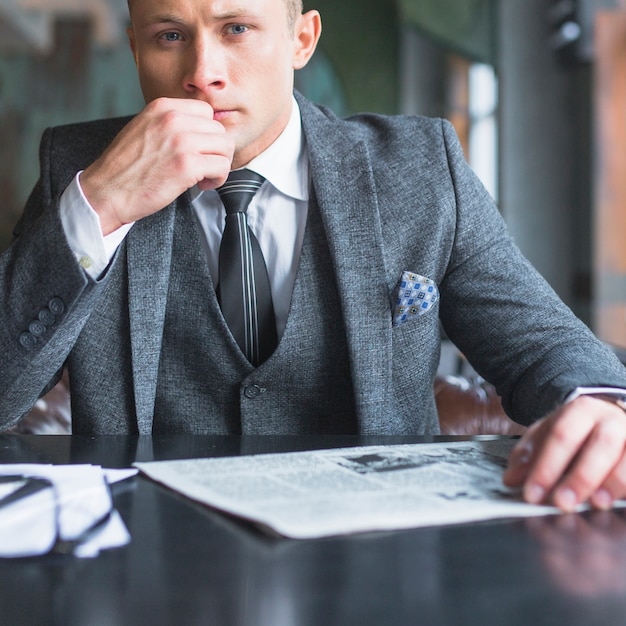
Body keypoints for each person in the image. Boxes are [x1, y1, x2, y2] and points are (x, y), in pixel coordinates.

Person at [1, 0, 625, 514]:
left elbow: (543, 345)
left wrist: (599, 406)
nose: (202, 72)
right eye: (170, 36)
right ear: (136, 49)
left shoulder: (422, 168)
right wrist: (99, 207)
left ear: (302, 40)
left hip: (377, 564)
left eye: (236, 29)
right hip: (149, 562)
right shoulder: (78, 169)